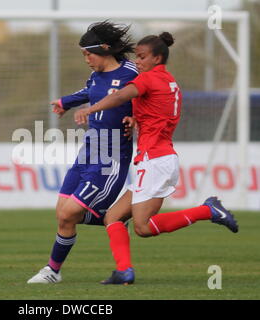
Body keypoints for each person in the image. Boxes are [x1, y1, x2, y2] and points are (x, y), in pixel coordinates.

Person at [74, 31, 239, 285]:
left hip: (156, 161)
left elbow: (120, 96)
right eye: (136, 57)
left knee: (143, 227)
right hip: (155, 159)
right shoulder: (168, 81)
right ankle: (124, 271)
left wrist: (91, 108)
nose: (137, 62)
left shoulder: (149, 79)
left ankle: (207, 210)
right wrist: (136, 118)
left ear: (157, 58)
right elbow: (160, 113)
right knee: (113, 217)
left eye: (142, 57)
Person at [27, 21, 139, 284]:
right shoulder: (96, 75)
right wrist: (66, 102)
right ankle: (111, 219)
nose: (86, 59)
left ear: (104, 49)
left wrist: (137, 119)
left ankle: (52, 271)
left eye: (88, 53)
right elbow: (90, 91)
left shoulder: (132, 73)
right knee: (62, 213)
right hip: (88, 152)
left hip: (110, 157)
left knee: (69, 213)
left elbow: (150, 97)